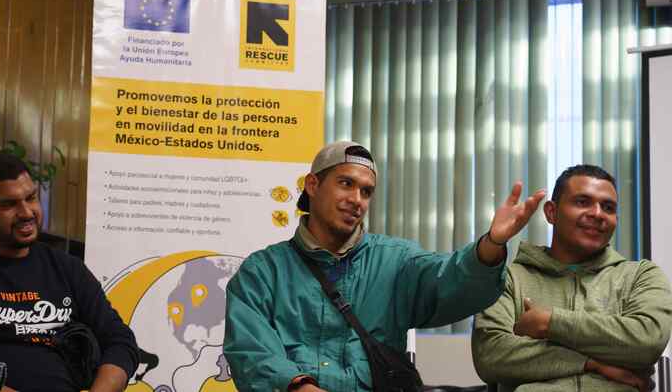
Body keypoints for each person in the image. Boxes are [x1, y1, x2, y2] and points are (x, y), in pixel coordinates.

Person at [223, 140, 546, 392]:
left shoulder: (397, 260)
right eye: (345, 183)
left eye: (366, 191)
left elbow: (451, 282)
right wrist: (299, 385)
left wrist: (491, 244)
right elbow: (250, 352)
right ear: (312, 185)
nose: (357, 199)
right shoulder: (263, 272)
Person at [0, 152, 139, 392]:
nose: (27, 212)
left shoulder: (67, 268)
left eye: (31, 198)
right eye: (9, 204)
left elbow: (120, 342)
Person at [472, 164, 672, 392]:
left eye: (607, 207)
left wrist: (549, 322)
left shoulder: (640, 276)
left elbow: (647, 340)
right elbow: (490, 355)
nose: (597, 213)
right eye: (582, 202)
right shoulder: (509, 278)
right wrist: (592, 363)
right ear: (551, 212)